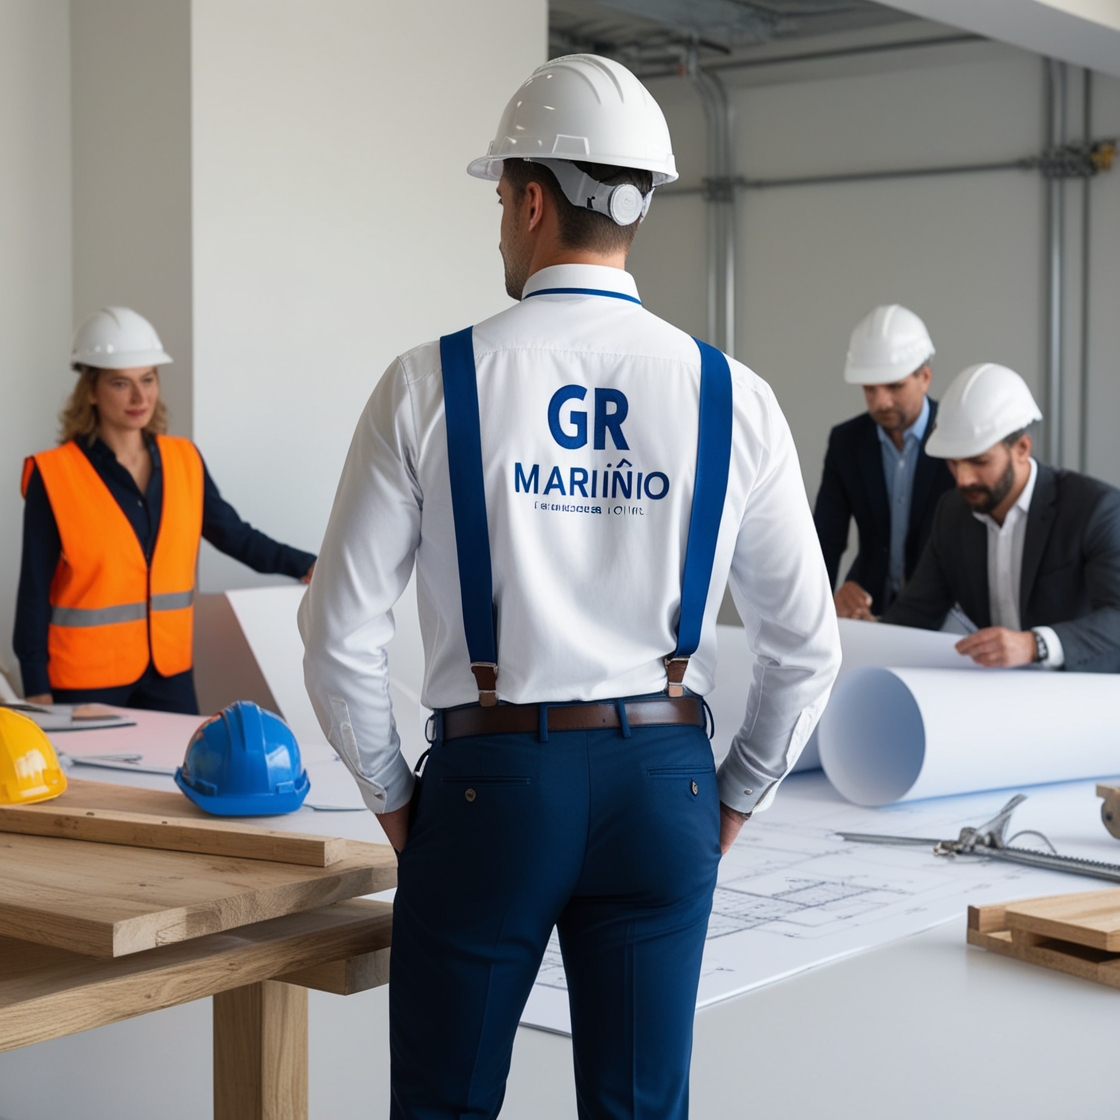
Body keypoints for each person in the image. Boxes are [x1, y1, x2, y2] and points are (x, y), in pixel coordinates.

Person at [299, 54, 840, 1120]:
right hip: (663, 783)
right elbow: (805, 647)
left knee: (444, 1106)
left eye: (500, 198)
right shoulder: (736, 397)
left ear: (535, 201)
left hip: (487, 786)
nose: (498, 223)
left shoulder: (429, 381)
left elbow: (336, 636)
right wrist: (730, 797)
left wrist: (397, 801)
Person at [15, 306, 317, 714]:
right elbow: (33, 592)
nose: (140, 397)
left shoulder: (184, 460)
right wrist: (36, 690)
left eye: (148, 379)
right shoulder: (53, 474)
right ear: (90, 389)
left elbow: (235, 535)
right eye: (121, 383)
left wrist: (310, 565)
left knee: (177, 777)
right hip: (85, 680)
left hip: (168, 676)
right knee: (95, 782)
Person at [884, 363, 1120, 671]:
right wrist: (858, 631)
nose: (963, 479)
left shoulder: (1094, 508)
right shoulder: (953, 513)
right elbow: (916, 613)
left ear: (1022, 448)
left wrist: (1035, 644)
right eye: (953, 464)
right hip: (997, 697)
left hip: (1083, 695)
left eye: (979, 462)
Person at [813, 304, 953, 619]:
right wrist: (821, 603)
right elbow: (825, 539)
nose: (881, 402)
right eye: (870, 389)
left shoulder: (959, 439)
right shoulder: (846, 442)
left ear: (925, 378)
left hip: (944, 613)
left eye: (895, 386)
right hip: (868, 605)